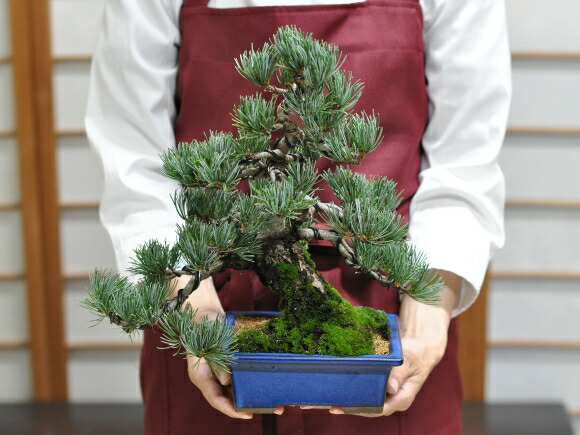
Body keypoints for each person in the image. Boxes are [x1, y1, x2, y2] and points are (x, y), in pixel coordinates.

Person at [86, 0, 510, 433]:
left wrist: (427, 308)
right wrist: (190, 307)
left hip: (392, 305)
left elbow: (466, 156)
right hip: (208, 302)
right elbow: (134, 157)